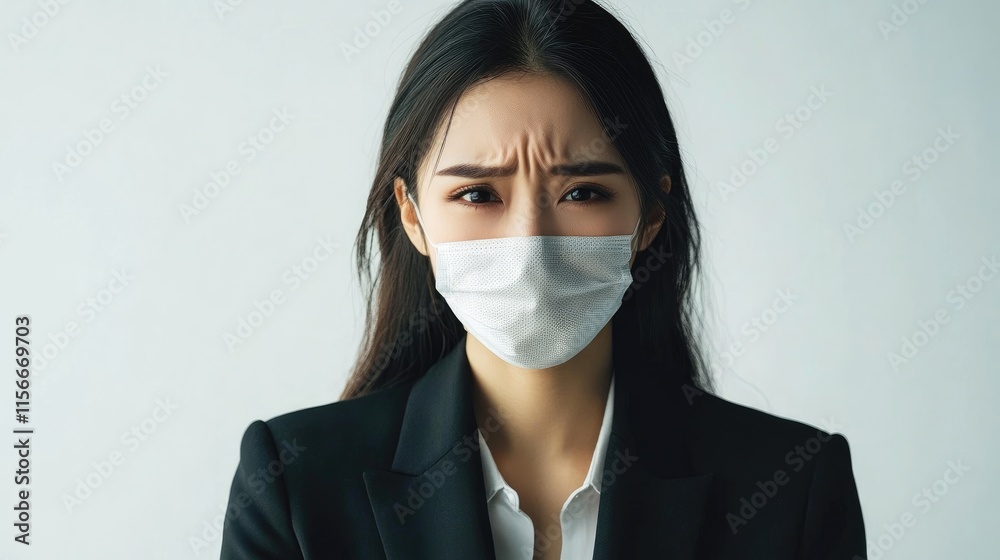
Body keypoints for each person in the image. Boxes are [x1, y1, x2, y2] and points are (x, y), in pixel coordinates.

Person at [219, 1, 867, 558]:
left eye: (582, 191)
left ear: (651, 216)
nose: (529, 242)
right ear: (413, 216)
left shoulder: (792, 490)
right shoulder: (294, 487)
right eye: (477, 194)